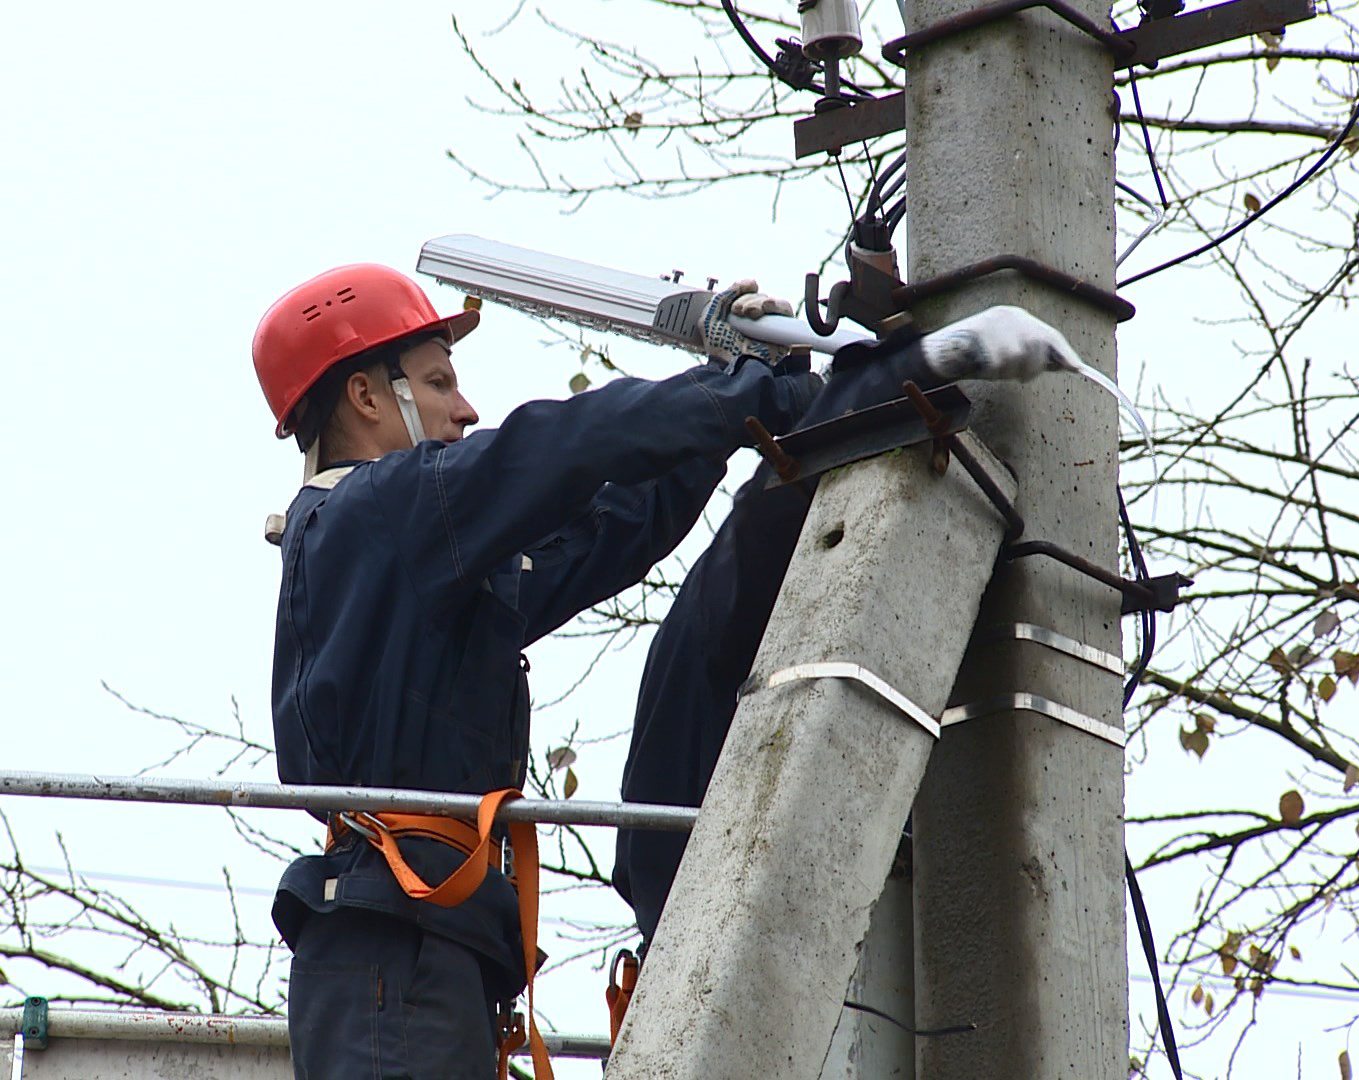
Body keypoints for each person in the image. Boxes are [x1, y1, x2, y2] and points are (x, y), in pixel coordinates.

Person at [251, 262, 818, 1080]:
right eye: (439, 380)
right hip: (396, 950)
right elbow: (557, 447)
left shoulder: (414, 563)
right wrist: (732, 390)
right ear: (367, 398)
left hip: (421, 948)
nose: (466, 407)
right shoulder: (376, 515)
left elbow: (613, 526)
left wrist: (734, 412)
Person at [613, 305, 1089, 950]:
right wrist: (927, 361)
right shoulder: (724, 612)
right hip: (722, 934)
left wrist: (753, 382)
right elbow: (768, 519)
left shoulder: (723, 625)